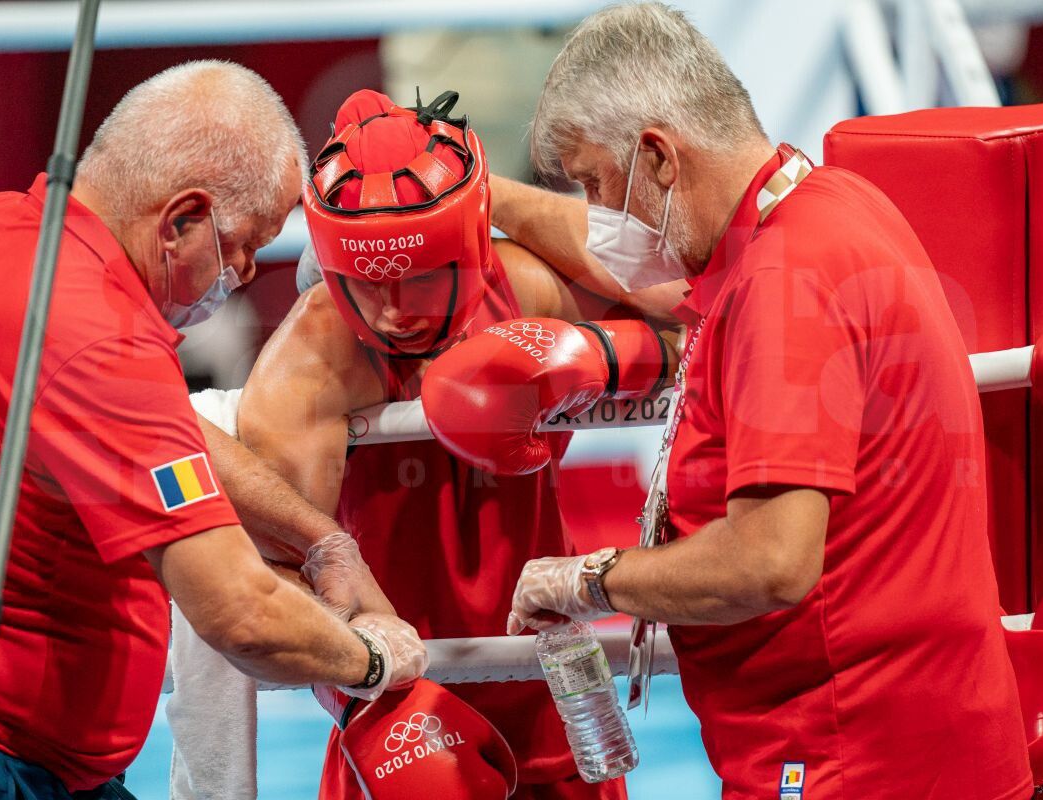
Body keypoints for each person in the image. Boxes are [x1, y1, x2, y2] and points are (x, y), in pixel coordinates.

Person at [421, 5, 1035, 800]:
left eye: (596, 184)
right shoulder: (819, 211)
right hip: (902, 742)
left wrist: (591, 580)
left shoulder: (786, 288)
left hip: (857, 760)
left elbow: (771, 561)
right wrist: (480, 193)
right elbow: (665, 281)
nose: (600, 215)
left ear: (658, 158)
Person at [0, 61, 426, 800]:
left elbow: (164, 430)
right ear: (182, 219)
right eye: (244, 244)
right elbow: (242, 616)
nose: (245, 271)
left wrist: (318, 538)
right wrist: (373, 656)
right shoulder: (98, 338)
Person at [168, 87, 673, 800]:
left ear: (470, 243)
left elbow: (683, 298)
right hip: (401, 703)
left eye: (421, 275)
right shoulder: (308, 369)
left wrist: (598, 355)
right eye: (366, 282)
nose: (394, 308)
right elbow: (278, 579)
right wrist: (372, 707)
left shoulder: (524, 291)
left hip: (552, 687)